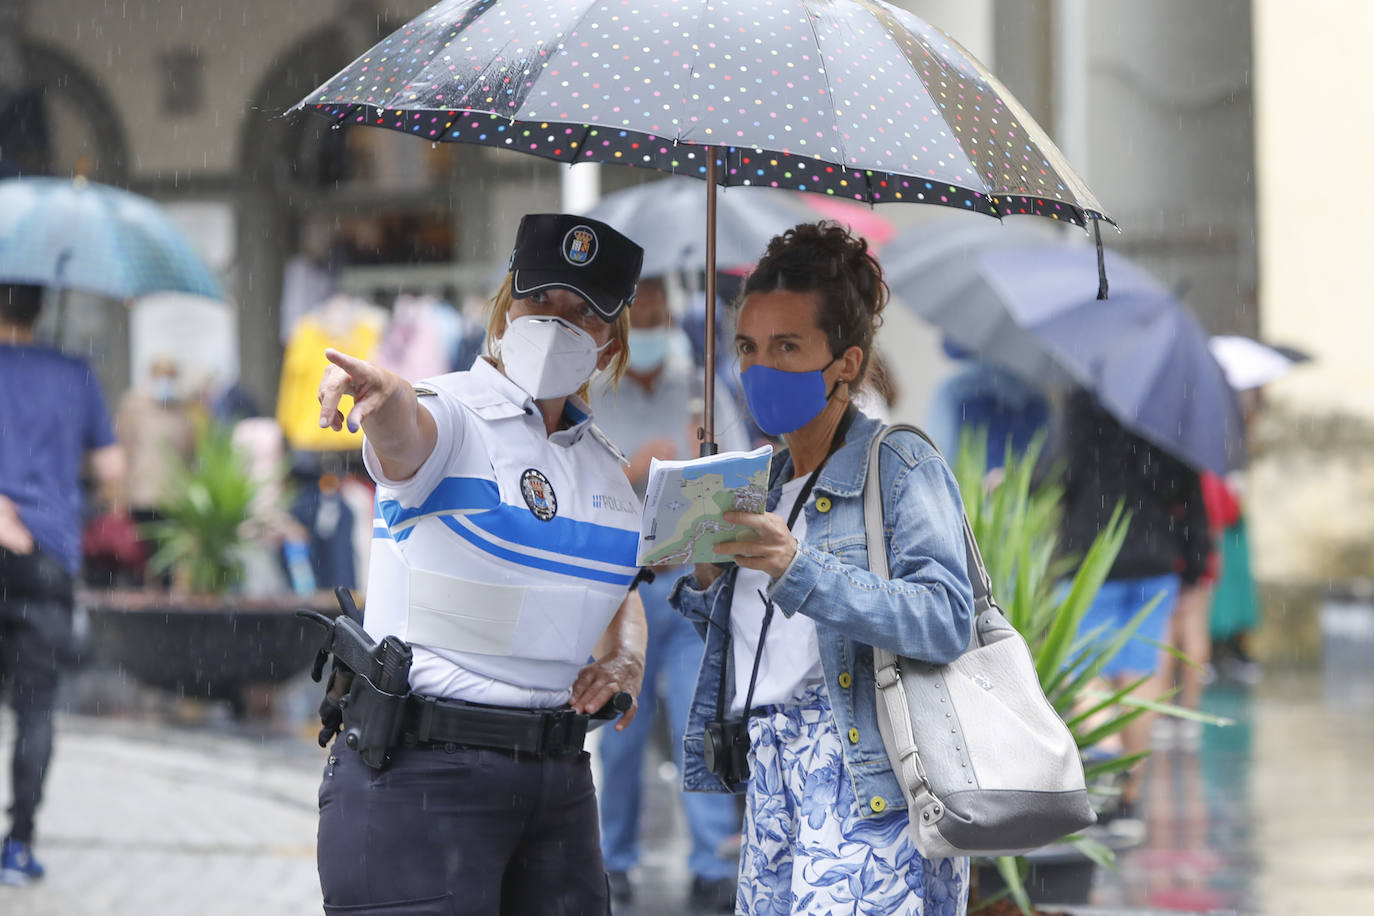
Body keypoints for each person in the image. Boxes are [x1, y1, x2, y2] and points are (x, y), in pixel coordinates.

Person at [312, 214, 649, 915]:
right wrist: (385, 399)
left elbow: (615, 584)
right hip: (422, 779)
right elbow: (409, 432)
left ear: (611, 340)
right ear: (505, 304)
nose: (558, 322)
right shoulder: (452, 414)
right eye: (541, 300)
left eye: (584, 311)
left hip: (558, 790)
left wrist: (625, 659)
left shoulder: (608, 467)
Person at [670, 223, 976, 915]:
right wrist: (711, 577)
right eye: (747, 348)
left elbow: (946, 617)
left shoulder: (897, 464)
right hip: (771, 778)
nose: (760, 369)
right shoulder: (761, 478)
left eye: (787, 347)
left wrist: (798, 566)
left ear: (845, 361)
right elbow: (765, 644)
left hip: (867, 779)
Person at [587, 277, 746, 911]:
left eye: (657, 302)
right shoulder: (594, 394)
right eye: (637, 304)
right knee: (620, 732)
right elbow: (574, 488)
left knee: (697, 725)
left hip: (689, 590)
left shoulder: (701, 389)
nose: (649, 315)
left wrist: (707, 450)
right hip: (622, 592)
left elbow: (740, 486)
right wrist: (633, 472)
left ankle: (713, 860)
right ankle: (615, 859)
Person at [0, 283, 125, 886]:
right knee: (35, 708)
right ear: (41, 310)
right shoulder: (75, 373)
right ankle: (19, 845)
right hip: (45, 554)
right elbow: (112, 470)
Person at [1058, 388, 1211, 827]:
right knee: (1142, 674)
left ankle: (1103, 765)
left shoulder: (1085, 397)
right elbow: (1188, 488)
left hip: (1092, 555)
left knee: (1087, 670)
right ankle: (1130, 794)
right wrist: (1196, 560)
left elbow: (1063, 473)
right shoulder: (1169, 405)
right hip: (1153, 558)